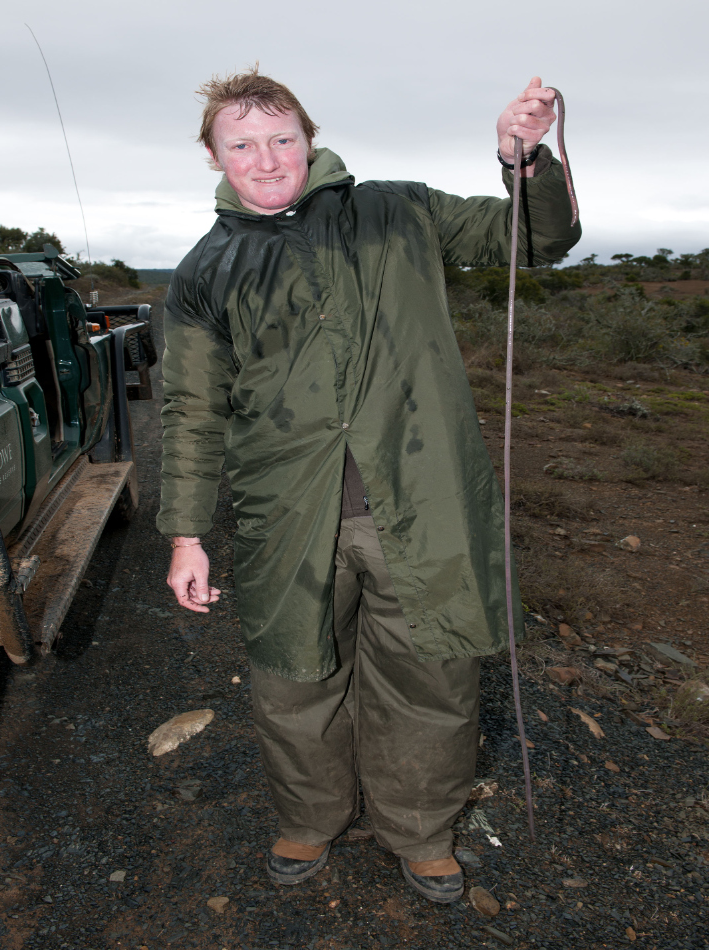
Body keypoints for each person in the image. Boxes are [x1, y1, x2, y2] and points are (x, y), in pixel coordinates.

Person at [158, 68, 580, 903]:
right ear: (213, 157)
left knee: (432, 679)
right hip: (286, 515)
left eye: (282, 137)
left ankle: (421, 831)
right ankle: (310, 820)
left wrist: (522, 162)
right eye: (242, 143)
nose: (267, 157)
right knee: (293, 681)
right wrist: (185, 534)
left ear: (310, 140)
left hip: (423, 504)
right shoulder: (205, 270)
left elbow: (531, 240)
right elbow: (191, 408)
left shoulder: (396, 210)